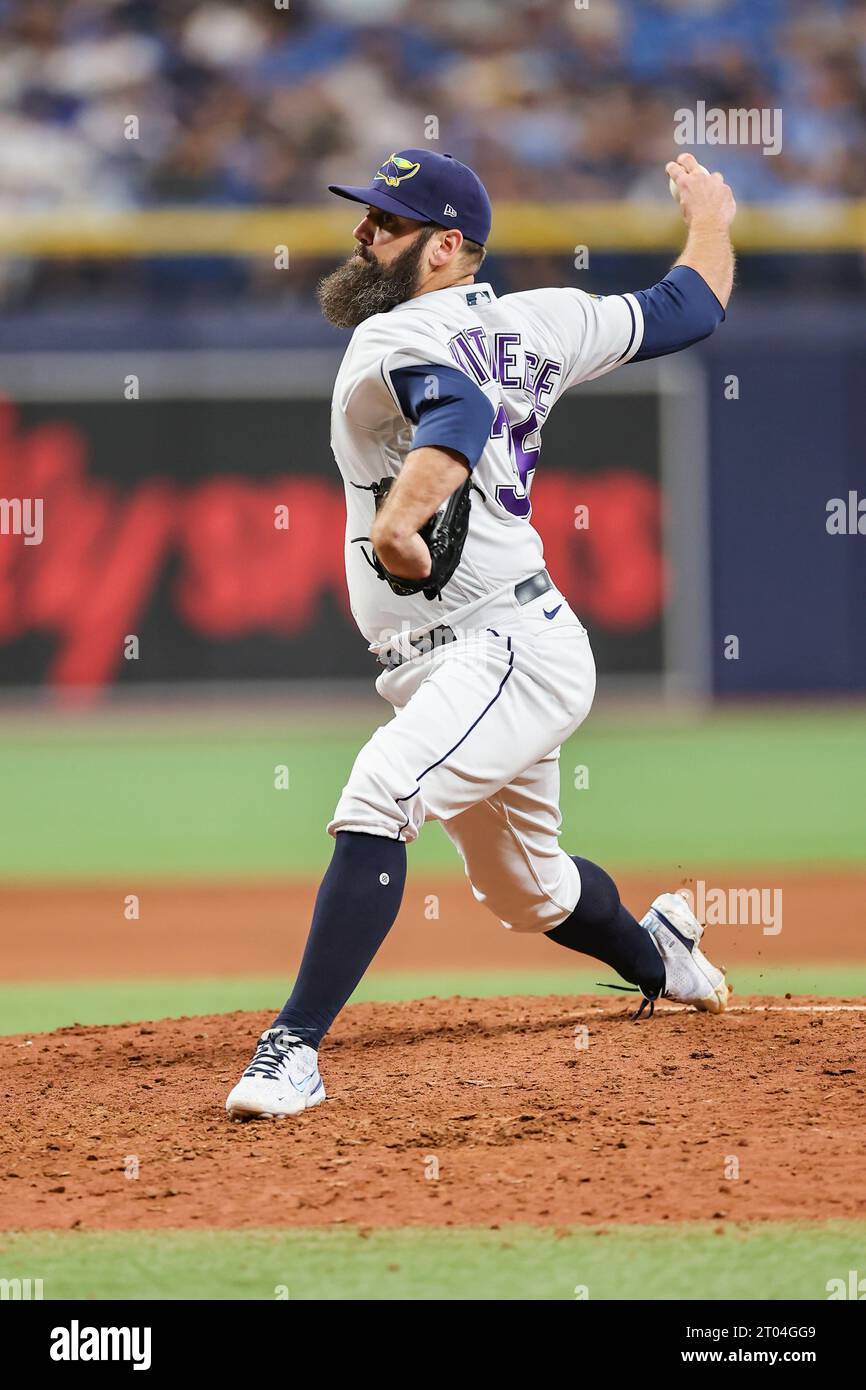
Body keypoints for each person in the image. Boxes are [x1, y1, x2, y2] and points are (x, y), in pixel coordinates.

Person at [226, 147, 736, 1120]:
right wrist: (709, 218)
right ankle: (658, 951)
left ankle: (290, 1048)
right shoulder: (538, 318)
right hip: (463, 655)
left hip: (502, 645)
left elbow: (452, 408)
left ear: (444, 246)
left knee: (381, 789)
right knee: (528, 893)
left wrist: (400, 517)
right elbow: (687, 308)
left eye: (384, 221)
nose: (361, 233)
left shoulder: (394, 338)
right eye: (365, 215)